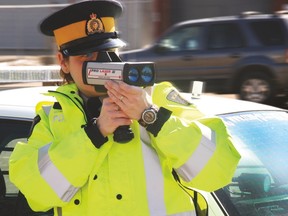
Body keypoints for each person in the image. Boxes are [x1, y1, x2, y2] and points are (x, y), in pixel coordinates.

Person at [9, 1, 241, 215]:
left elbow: (218, 172)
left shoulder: (159, 98)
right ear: (63, 61)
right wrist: (94, 133)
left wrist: (152, 117)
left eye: (109, 53)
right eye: (87, 56)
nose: (102, 64)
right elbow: (37, 194)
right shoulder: (52, 118)